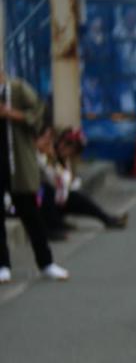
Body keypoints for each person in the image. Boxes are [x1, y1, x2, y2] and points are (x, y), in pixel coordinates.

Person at [0, 68, 71, 284]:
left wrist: (11, 113)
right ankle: (3, 265)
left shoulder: (17, 89)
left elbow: (40, 111)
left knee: (30, 212)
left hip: (18, 162)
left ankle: (46, 263)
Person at [37, 127, 127, 238]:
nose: (49, 143)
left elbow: (68, 183)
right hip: (36, 198)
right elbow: (53, 178)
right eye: (45, 139)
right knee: (48, 190)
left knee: (76, 197)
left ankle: (106, 218)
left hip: (55, 198)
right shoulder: (40, 156)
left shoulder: (61, 159)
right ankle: (52, 227)